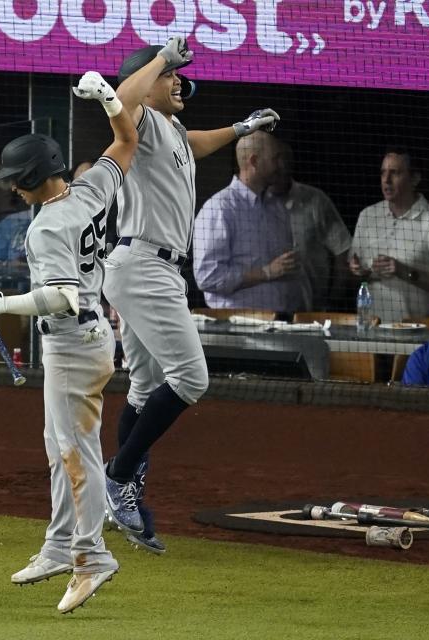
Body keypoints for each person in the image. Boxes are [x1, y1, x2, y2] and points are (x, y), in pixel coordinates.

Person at [0, 72, 136, 614]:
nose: (12, 187)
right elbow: (127, 140)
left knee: (76, 455)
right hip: (90, 340)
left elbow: (60, 296)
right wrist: (109, 98)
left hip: (72, 345)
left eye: (18, 179)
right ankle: (60, 545)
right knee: (59, 450)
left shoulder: (45, 229)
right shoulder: (90, 189)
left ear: (35, 177)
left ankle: (91, 558)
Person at [102, 36, 280, 553]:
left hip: (146, 266)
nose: (179, 80)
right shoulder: (136, 120)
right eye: (170, 77)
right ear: (149, 79)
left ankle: (124, 499)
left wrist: (241, 128)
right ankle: (119, 477)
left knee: (143, 385)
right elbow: (123, 94)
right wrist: (159, 59)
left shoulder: (169, 128)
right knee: (191, 378)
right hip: (143, 265)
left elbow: (195, 143)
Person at [193, 131, 303, 313]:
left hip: (285, 322)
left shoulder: (277, 206)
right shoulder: (219, 208)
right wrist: (267, 272)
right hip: (239, 326)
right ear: (254, 161)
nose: (281, 166)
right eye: (275, 159)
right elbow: (208, 277)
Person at [349, 148, 429, 322]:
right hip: (369, 330)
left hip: (416, 333)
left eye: (395, 173)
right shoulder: (367, 216)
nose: (386, 180)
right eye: (383, 172)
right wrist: (359, 272)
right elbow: (352, 277)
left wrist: (403, 271)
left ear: (415, 179)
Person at [266, 139, 352, 311]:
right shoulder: (255, 204)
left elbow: (343, 251)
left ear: (291, 165)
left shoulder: (316, 201)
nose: (279, 168)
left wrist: (334, 301)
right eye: (275, 161)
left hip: (311, 310)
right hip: (266, 309)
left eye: (283, 162)